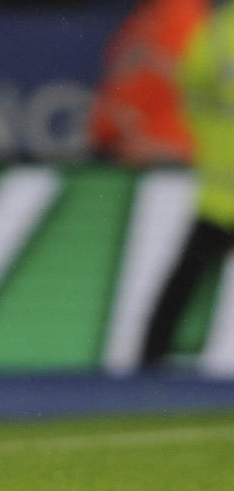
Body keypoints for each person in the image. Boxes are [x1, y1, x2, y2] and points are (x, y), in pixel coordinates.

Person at [141, 0, 234, 366]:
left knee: (185, 277)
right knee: (186, 276)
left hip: (217, 187)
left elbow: (190, 87)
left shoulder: (216, 27)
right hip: (220, 187)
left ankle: (149, 358)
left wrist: (206, 139)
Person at [88, 0, 209, 167]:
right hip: (121, 145)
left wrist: (151, 59)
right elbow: (118, 71)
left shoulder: (184, 13)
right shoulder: (147, 14)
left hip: (166, 153)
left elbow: (202, 84)